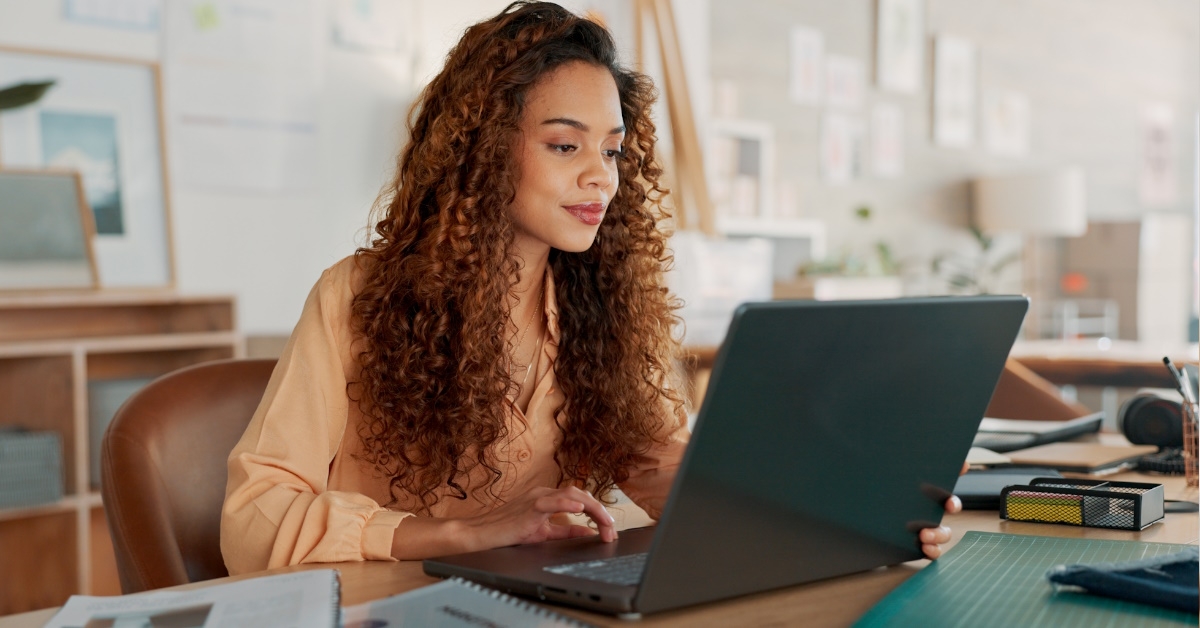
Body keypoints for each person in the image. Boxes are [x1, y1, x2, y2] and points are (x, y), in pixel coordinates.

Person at [220, 1, 959, 576]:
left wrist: (841, 512)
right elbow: (253, 519)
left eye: (611, 150)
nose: (601, 176)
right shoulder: (358, 296)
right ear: (482, 152)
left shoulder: (601, 307)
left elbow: (667, 470)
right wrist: (462, 533)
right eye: (565, 145)